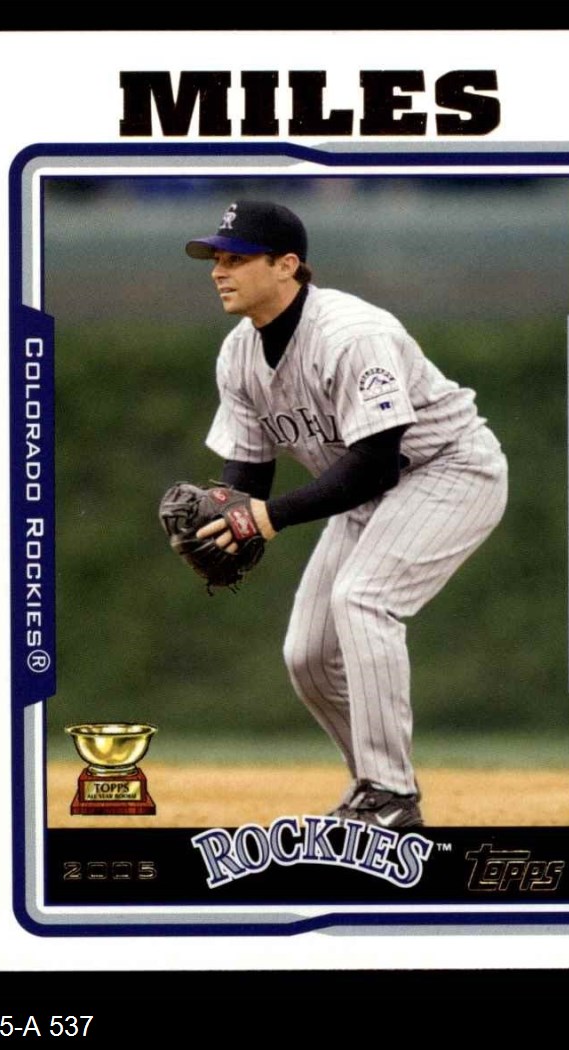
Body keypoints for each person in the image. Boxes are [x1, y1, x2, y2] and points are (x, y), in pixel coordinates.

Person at [187, 199, 508, 828]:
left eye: (237, 258)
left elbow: (376, 464)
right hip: (364, 491)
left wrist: (267, 519)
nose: (220, 271)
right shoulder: (237, 354)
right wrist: (229, 522)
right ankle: (374, 788)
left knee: (363, 599)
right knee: (307, 655)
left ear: (287, 265)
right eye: (216, 259)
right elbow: (248, 471)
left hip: (448, 469)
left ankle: (391, 792)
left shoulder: (352, 334)